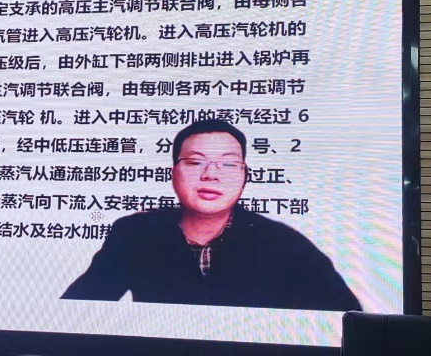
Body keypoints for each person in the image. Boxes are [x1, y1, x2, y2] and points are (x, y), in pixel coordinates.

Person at [61, 119, 361, 311]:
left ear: (245, 176)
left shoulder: (284, 244)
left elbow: (348, 323)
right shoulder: (135, 233)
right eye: (195, 162)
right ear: (173, 173)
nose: (210, 175)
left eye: (228, 164)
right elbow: (77, 309)